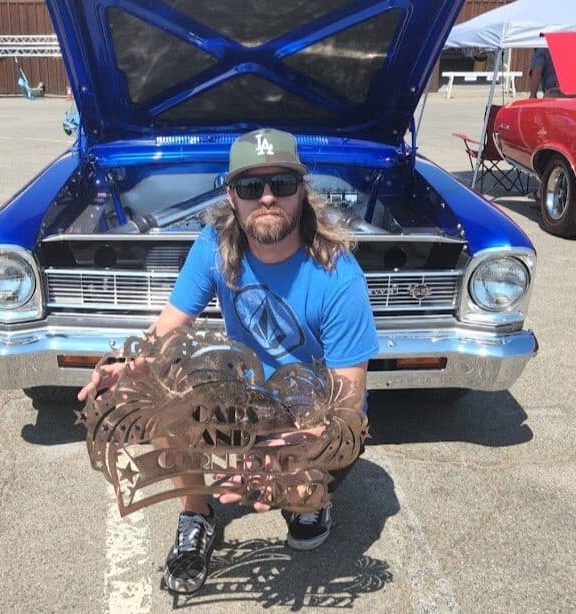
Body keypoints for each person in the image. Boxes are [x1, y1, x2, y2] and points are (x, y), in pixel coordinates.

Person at [78, 128, 379, 594]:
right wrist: (127, 364)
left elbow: (346, 404)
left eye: (280, 184)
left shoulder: (338, 275)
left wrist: (283, 456)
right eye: (249, 187)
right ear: (230, 195)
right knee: (161, 385)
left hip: (312, 413)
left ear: (302, 190)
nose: (266, 198)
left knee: (298, 499)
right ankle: (196, 513)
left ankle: (309, 502)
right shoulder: (214, 246)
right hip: (248, 397)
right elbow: (167, 330)